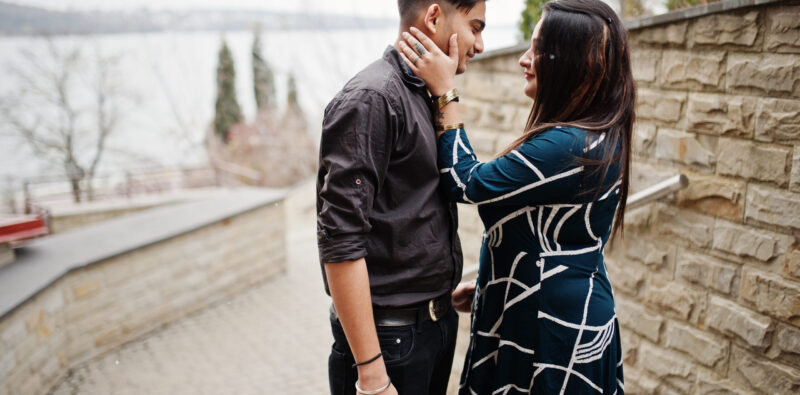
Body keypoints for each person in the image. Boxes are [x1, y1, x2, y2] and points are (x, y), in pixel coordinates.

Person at [397, 0, 633, 393]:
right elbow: (557, 233)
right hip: (544, 304)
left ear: (572, 60)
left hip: (552, 332)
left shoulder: (571, 144)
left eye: (538, 49)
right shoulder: (594, 133)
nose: (525, 59)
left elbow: (466, 181)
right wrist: (498, 282)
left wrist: (444, 92)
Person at [315, 1, 487, 394]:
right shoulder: (371, 98)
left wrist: (436, 287)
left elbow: (409, 211)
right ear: (433, 17)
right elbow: (340, 242)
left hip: (432, 329)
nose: (479, 44)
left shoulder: (429, 93)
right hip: (389, 345)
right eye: (475, 27)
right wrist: (372, 373)